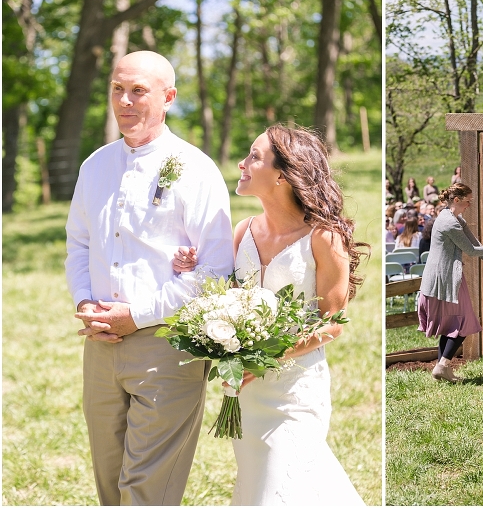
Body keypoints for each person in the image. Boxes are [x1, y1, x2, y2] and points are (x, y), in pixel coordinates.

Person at [65, 51, 234, 505]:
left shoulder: (196, 169)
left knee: (145, 492)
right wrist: (85, 301)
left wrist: (137, 315)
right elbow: (79, 243)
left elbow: (216, 271)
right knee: (109, 483)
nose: (124, 100)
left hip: (168, 346)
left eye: (138, 90)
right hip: (100, 347)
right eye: (117, 89)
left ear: (168, 97)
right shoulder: (95, 166)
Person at [182, 125, 368, 505]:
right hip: (247, 393)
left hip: (295, 390)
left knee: (277, 489)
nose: (241, 163)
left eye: (254, 156)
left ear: (282, 174)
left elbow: (333, 323)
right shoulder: (242, 231)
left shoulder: (324, 237)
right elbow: (223, 297)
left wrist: (267, 356)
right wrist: (190, 267)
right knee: (269, 484)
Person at [417, 183, 483, 382]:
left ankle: (441, 368)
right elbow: (471, 251)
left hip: (444, 277)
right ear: (457, 200)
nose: (470, 205)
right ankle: (442, 366)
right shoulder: (449, 223)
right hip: (445, 279)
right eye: (468, 201)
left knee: (453, 324)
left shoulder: (454, 218)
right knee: (463, 323)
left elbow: (475, 244)